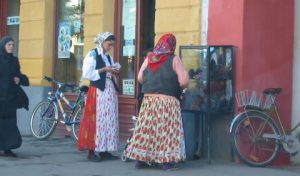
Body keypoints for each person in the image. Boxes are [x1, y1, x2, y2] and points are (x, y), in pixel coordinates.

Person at [124, 33, 189, 170]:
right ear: (172, 45)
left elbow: (140, 77)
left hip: (149, 101)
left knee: (147, 129)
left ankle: (141, 160)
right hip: (168, 101)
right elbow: (184, 81)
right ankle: (166, 162)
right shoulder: (174, 58)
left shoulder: (149, 58)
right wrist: (178, 87)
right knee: (166, 130)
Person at [77, 32, 119, 162]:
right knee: (95, 120)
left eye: (112, 45)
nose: (110, 47)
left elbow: (109, 73)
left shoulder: (108, 57)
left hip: (109, 91)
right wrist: (104, 70)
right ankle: (91, 151)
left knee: (108, 120)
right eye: (108, 44)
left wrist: (113, 72)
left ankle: (104, 150)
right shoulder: (93, 54)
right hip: (97, 91)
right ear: (102, 42)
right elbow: (87, 73)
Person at [0, 36, 27, 157]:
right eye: (9, 45)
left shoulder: (15, 60)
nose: (11, 47)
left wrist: (19, 79)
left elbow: (18, 75)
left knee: (10, 124)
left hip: (10, 98)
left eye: (12, 45)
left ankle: (8, 148)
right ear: (3, 46)